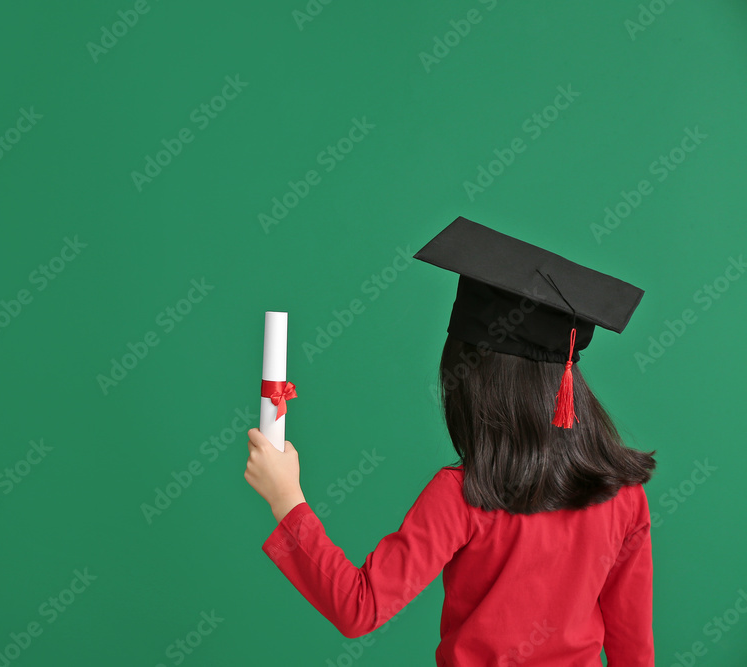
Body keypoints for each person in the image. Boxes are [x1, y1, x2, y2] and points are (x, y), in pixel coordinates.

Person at [245, 217, 657, 665]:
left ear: (471, 384)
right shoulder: (625, 495)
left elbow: (359, 608)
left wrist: (286, 497)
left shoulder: (465, 494)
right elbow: (633, 650)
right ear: (566, 386)